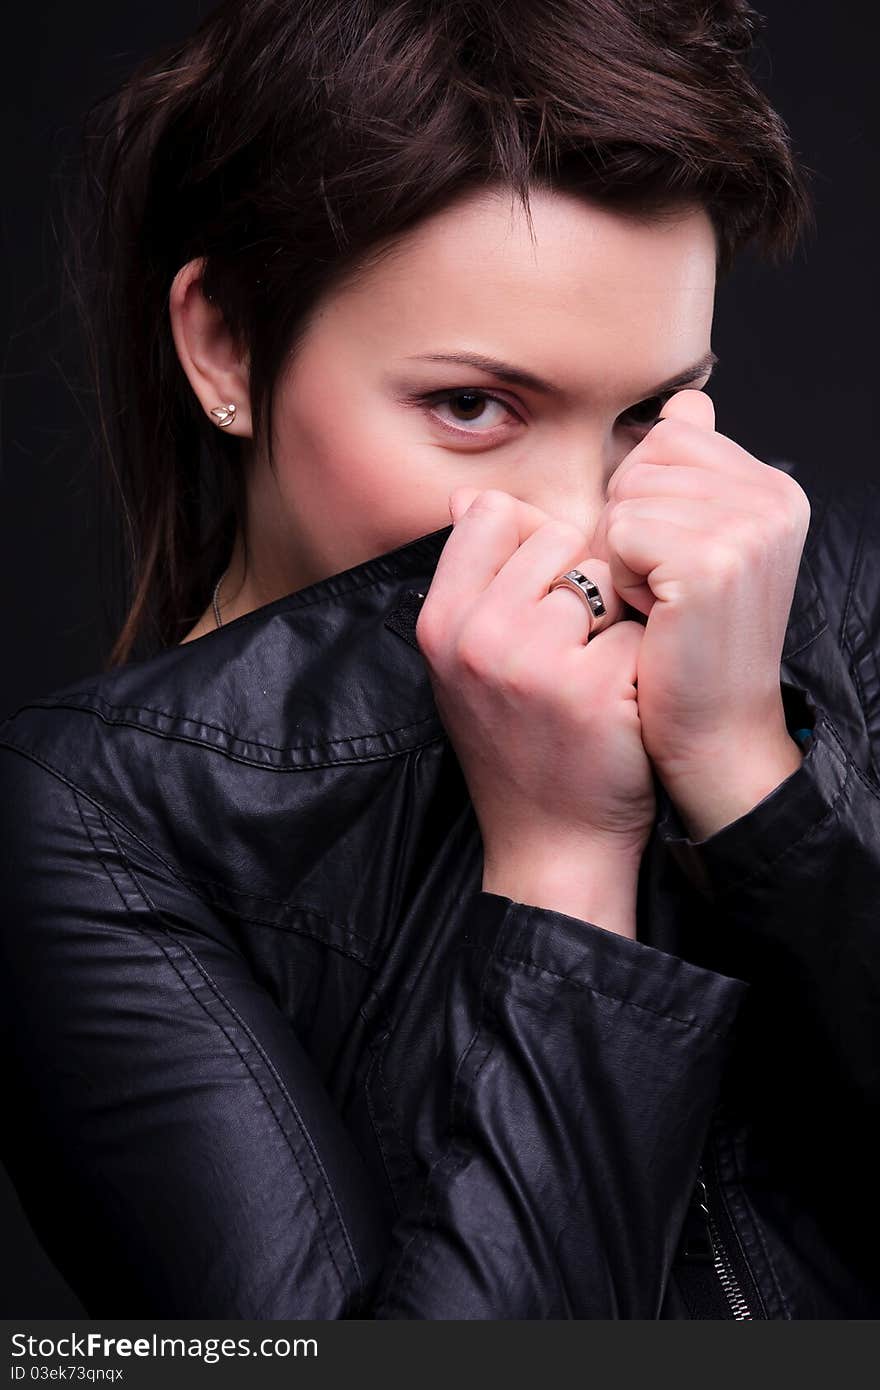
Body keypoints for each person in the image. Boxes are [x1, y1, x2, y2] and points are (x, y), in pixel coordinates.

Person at [0, 0, 878, 1319]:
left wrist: (748, 772)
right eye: (473, 407)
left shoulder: (807, 605)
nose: (586, 522)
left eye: (649, 411)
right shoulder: (93, 830)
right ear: (225, 345)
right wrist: (565, 869)